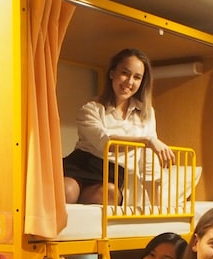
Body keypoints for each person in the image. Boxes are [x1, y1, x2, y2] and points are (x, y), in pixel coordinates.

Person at [63, 48, 176, 205]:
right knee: (67, 191)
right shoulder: (91, 109)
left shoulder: (145, 113)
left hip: (112, 173)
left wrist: (158, 208)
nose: (129, 82)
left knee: (109, 194)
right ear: (112, 73)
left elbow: (148, 163)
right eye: (124, 73)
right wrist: (147, 141)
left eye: (137, 77)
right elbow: (106, 143)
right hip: (82, 164)